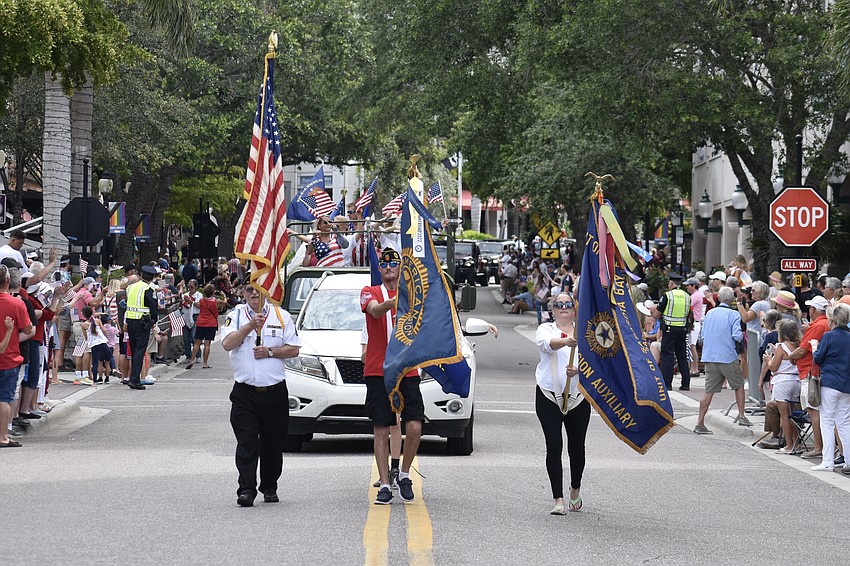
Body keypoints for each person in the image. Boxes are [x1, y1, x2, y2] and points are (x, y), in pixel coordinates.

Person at [221, 284, 301, 506]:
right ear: (243, 293)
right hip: (245, 392)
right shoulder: (235, 315)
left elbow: (294, 348)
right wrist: (249, 326)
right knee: (246, 442)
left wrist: (270, 352)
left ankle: (269, 486)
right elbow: (227, 344)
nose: (254, 293)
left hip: (274, 392)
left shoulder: (281, 315)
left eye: (259, 288)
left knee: (273, 443)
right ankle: (246, 489)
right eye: (249, 289)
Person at [361, 248, 423, 505]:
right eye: (384, 263)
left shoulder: (414, 295)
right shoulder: (370, 291)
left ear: (401, 267)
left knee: (414, 426)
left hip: (407, 369)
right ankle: (385, 483)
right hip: (378, 369)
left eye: (393, 263)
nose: (388, 267)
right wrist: (394, 302)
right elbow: (374, 311)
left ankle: (404, 474)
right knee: (381, 430)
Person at [534, 292, 589, 514]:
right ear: (553, 309)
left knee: (577, 448)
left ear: (574, 309)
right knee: (554, 444)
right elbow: (548, 344)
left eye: (568, 304)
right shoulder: (545, 329)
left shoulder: (585, 333)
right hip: (548, 395)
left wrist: (579, 370)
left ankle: (575, 487)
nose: (563, 307)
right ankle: (558, 499)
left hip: (578, 397)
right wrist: (567, 341)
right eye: (559, 304)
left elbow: (597, 364)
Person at [694, 287, 750, 434]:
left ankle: (700, 422)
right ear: (731, 300)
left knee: (708, 391)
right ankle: (742, 415)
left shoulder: (710, 313)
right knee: (738, 385)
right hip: (727, 356)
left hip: (710, 356)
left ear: (718, 298)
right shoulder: (734, 315)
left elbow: (703, 335)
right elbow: (737, 336)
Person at [787, 295, 831, 460]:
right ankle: (822, 446)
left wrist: (791, 356)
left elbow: (803, 349)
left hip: (810, 372)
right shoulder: (825, 324)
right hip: (818, 372)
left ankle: (818, 446)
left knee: (813, 410)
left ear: (813, 310)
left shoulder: (818, 326)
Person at [809, 303, 850, 473]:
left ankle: (828, 461)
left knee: (827, 421)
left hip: (830, 382)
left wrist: (814, 347)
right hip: (846, 384)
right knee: (844, 423)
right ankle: (848, 460)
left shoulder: (828, 336)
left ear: (832, 319)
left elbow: (818, 359)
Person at [0, 265, 34, 447]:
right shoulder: (17, 303)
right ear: (7, 281)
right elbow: (28, 329)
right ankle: (2, 436)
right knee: (4, 398)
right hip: (8, 357)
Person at [763, 319, 802, 454]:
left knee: (784, 415)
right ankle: (796, 443)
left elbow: (773, 366)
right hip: (796, 380)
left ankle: (789, 445)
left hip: (782, 381)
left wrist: (768, 360)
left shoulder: (781, 346)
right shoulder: (798, 345)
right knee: (793, 415)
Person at [654, 272, 692, 391]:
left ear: (671, 283)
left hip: (670, 329)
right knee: (682, 356)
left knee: (667, 356)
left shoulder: (668, 296)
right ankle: (685, 383)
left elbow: (657, 313)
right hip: (682, 329)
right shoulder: (687, 296)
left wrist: (652, 313)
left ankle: (667, 384)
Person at [124, 266, 159, 390]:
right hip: (142, 322)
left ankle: (133, 378)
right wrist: (154, 320)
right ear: (153, 277)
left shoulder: (131, 287)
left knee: (134, 351)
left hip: (130, 321)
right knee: (140, 351)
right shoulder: (148, 288)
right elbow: (153, 307)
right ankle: (134, 380)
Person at [187, 284, 227, 369]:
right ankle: (205, 363)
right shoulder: (216, 301)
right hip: (211, 323)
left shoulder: (202, 301)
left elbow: (196, 305)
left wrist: (191, 301)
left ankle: (192, 360)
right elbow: (225, 303)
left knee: (197, 342)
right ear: (213, 292)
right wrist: (224, 296)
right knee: (207, 344)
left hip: (201, 322)